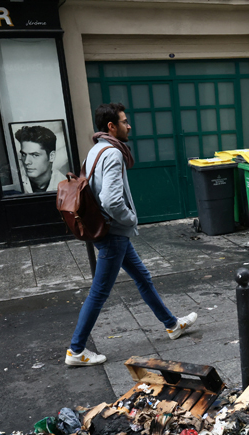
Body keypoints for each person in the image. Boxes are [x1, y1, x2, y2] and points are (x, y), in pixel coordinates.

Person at [66, 102, 197, 367]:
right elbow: (111, 200)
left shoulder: (94, 151)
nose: (129, 126)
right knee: (99, 292)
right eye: (124, 122)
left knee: (142, 277)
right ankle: (76, 351)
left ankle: (172, 325)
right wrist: (131, 218)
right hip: (113, 232)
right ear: (111, 127)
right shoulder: (113, 154)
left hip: (107, 231)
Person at [15, 125, 63, 193]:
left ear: (51, 156)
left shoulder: (69, 186)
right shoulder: (14, 184)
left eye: (35, 155)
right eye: (24, 154)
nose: (26, 161)